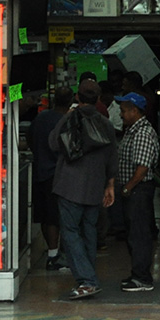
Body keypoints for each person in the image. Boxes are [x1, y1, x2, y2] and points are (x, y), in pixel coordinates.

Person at [49, 80, 117, 300]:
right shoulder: (105, 123)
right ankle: (89, 276)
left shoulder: (70, 118)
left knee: (70, 233)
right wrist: (110, 185)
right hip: (95, 185)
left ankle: (87, 280)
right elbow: (112, 156)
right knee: (89, 231)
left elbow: (53, 143)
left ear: (78, 97)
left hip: (69, 186)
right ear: (98, 99)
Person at [117, 91, 160, 292]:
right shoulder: (132, 130)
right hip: (134, 191)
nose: (121, 114)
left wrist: (128, 187)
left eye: (124, 110)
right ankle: (138, 274)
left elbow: (142, 168)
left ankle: (142, 277)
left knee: (140, 234)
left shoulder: (142, 133)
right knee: (135, 233)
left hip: (138, 191)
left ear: (135, 111)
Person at [30, 88, 73, 271]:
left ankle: (51, 251)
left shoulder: (41, 118)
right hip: (57, 175)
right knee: (55, 216)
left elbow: (30, 138)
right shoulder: (66, 122)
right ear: (70, 101)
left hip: (39, 171)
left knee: (44, 216)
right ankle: (54, 256)